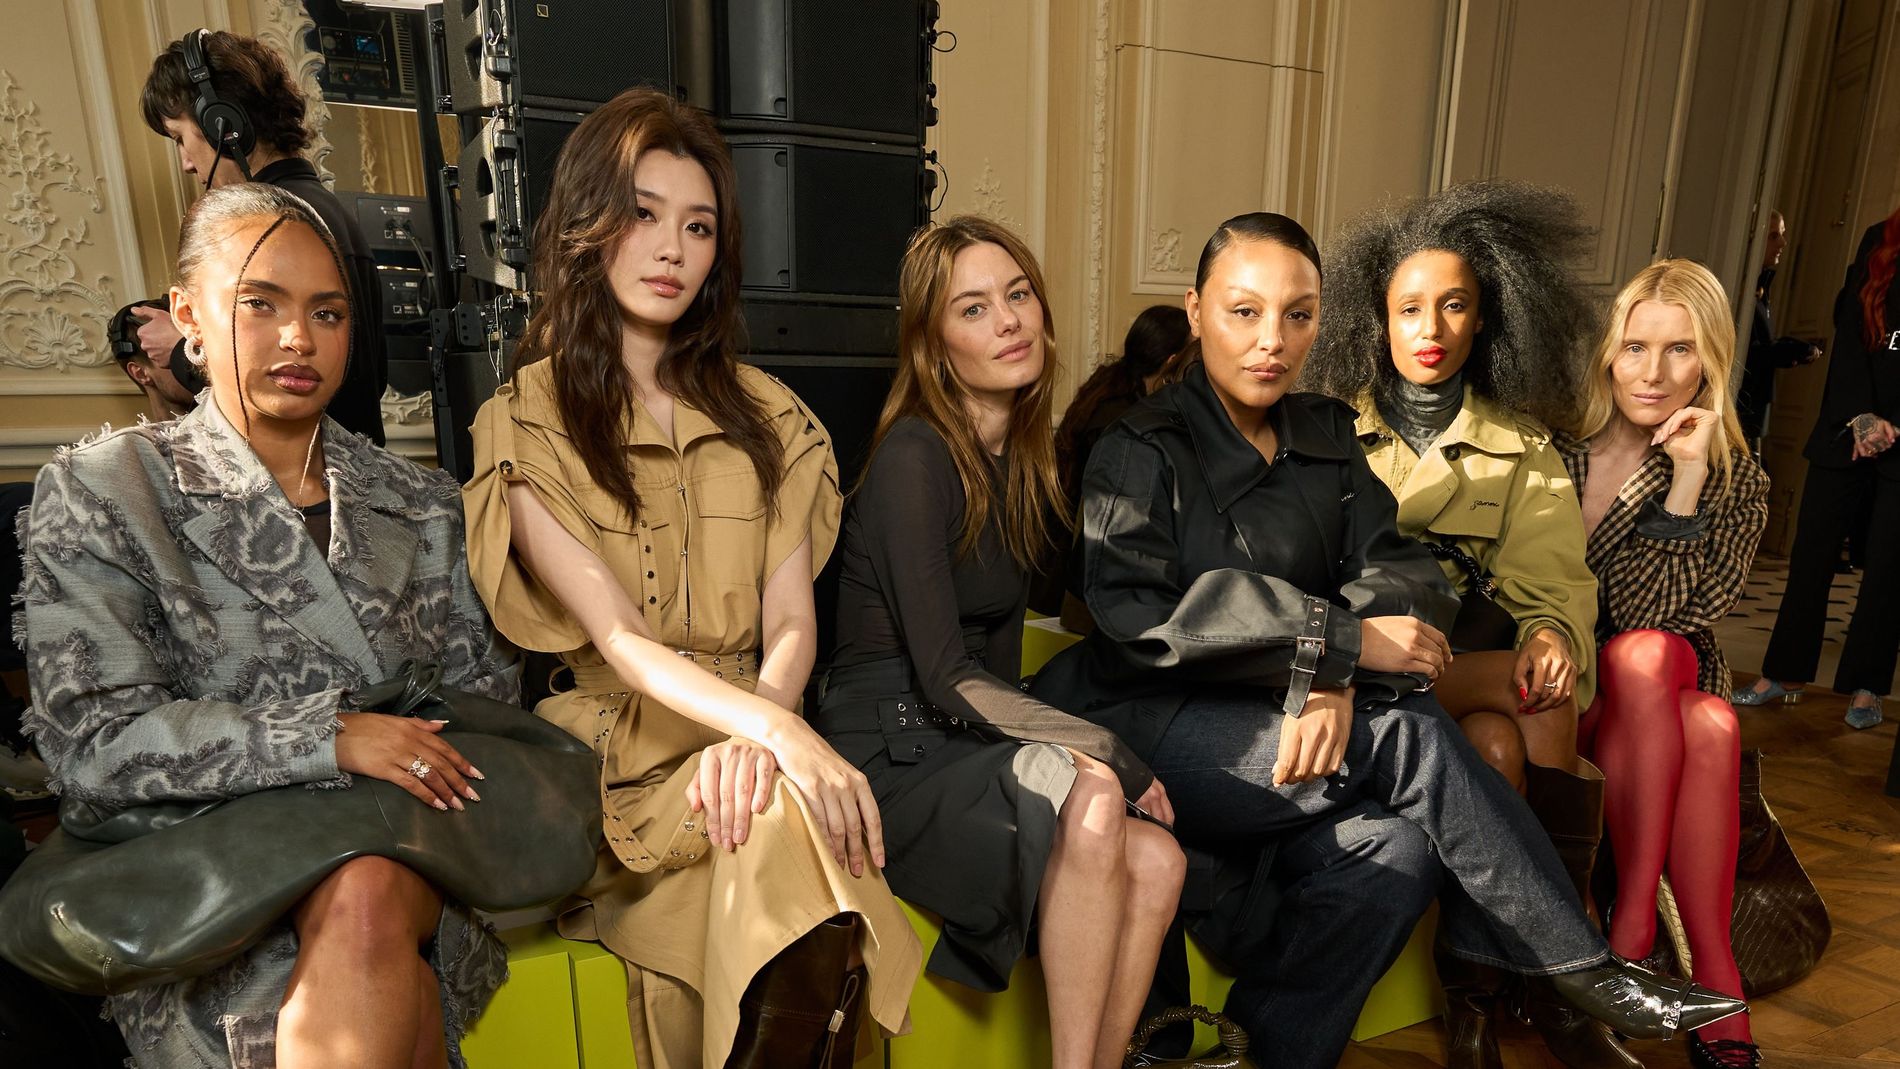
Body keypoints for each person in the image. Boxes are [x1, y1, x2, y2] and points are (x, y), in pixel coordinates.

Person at [1029, 211, 1745, 1069]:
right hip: (1149, 724)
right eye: (1244, 311)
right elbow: (1138, 616)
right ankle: (1580, 966)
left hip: (1277, 720)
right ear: (1195, 311)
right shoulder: (1137, 446)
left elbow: (1400, 570)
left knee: (1397, 852)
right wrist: (1334, 643)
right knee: (1407, 734)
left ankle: (1261, 1055)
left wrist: (1331, 677)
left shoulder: (1326, 432)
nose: (1272, 339)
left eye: (1298, 314)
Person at [460, 88, 920, 1068]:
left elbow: (790, 623)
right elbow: (621, 641)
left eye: (699, 225)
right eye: (644, 213)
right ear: (589, 223)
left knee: (782, 841)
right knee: (800, 844)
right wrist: (778, 733)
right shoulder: (525, 418)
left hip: (754, 724)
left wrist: (760, 730)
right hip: (622, 756)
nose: (672, 247)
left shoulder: (771, 416)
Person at [16, 182, 517, 1068]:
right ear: (188, 317)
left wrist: (387, 771)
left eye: (328, 312)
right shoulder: (108, 489)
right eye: (261, 303)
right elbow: (92, 743)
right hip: (211, 886)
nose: (298, 338)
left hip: (410, 855)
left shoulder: (421, 500)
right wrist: (326, 736)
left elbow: (481, 708)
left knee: (366, 891)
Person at [812, 216, 1184, 1069]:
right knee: (1096, 795)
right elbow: (947, 672)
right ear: (935, 346)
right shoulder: (914, 456)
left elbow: (1003, 669)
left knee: (1161, 861)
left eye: (1018, 295)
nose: (1009, 320)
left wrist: (1057, 752)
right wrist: (1104, 750)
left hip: (963, 740)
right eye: (973, 308)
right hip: (888, 755)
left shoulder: (1022, 461)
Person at [1303, 179, 1629, 1069]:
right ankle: (1570, 972)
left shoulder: (1523, 447)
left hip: (1462, 679)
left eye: (1454, 305)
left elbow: (1555, 579)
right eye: (1410, 307)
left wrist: (1552, 631)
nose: (1432, 328)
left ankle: (1476, 994)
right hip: (1365, 677)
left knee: (1504, 733)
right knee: (1529, 695)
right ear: (1378, 318)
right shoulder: (1328, 433)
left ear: (1485, 318)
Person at [1559, 259, 1771, 1068]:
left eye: (1679, 349)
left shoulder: (1735, 481)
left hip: (1657, 680)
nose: (1652, 372)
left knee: (1649, 653)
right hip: (1571, 690)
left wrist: (1685, 479)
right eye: (1636, 347)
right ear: (1610, 354)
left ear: (1709, 361)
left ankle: (1636, 931)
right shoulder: (1557, 452)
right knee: (1710, 721)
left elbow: (1657, 614)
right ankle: (1707, 972)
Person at [137, 29, 386, 444]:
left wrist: (180, 346)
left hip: (307, 467)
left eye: (181, 138)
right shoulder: (323, 210)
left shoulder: (270, 224)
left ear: (222, 124)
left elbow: (285, 375)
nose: (186, 163)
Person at [1741, 204, 1900, 729]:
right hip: (1846, 428)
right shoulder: (1880, 237)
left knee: (1888, 572)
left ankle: (1867, 687)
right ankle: (1783, 673)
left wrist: (1895, 424)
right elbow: (1851, 331)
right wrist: (1862, 416)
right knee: (1811, 557)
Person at [1034, 304, 1192, 626]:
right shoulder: (1125, 425)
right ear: (1174, 361)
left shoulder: (1111, 389)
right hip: (1068, 585)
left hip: (1058, 568)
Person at [1737, 210, 1822, 451]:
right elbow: (1749, 352)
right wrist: (1794, 350)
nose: (1783, 243)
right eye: (1774, 236)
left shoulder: (1760, 287)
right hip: (1742, 405)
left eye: (1782, 234)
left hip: (1755, 407)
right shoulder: (1740, 290)